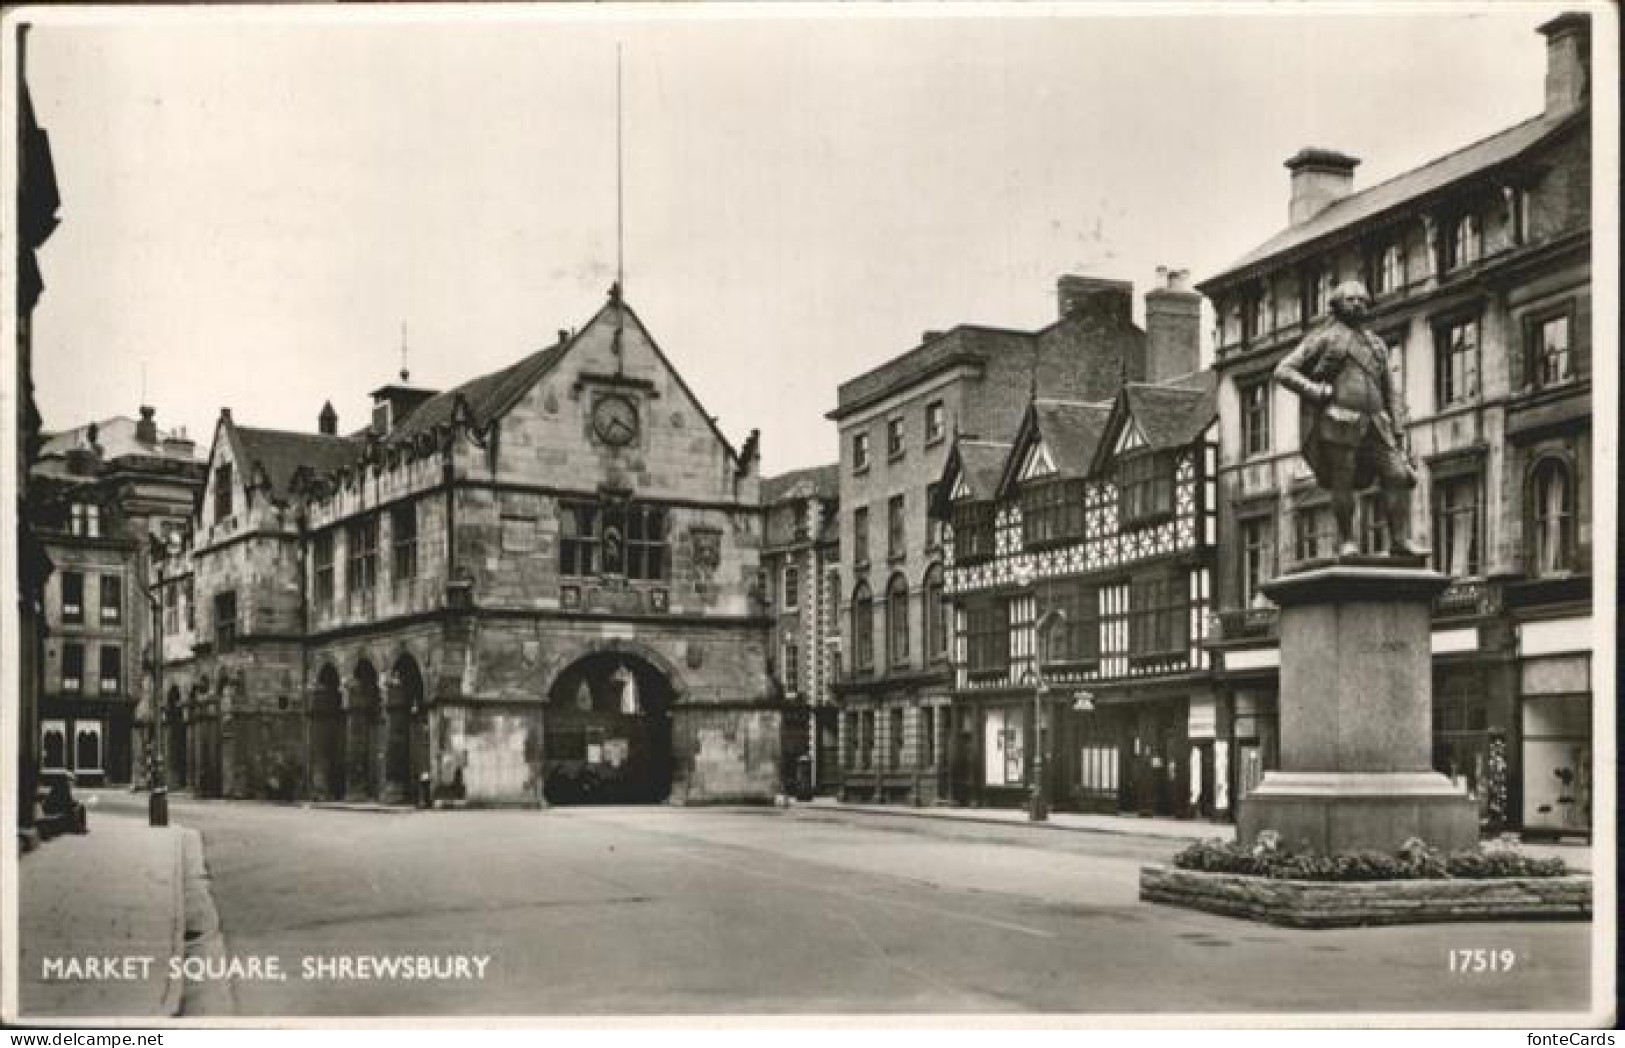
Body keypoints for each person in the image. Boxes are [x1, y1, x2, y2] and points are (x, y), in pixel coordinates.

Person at [1274, 280, 1423, 559]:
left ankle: (1399, 540)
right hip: (1340, 418)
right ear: (1337, 304)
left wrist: (1398, 430)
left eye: (1362, 300)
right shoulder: (1324, 338)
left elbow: (1390, 390)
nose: (1358, 304)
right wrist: (1315, 391)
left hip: (1378, 421)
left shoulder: (1376, 344)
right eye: (1351, 300)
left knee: (1397, 475)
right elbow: (1283, 371)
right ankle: (1347, 541)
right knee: (1343, 480)